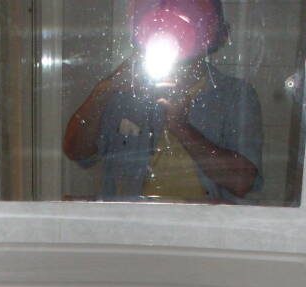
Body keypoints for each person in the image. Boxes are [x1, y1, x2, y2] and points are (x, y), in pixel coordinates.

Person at [62, 0, 263, 203]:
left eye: (187, 28)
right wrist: (103, 90)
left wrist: (181, 128)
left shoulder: (235, 95)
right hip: (132, 225)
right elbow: (76, 152)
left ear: (211, 37)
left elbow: (243, 182)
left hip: (205, 229)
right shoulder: (124, 90)